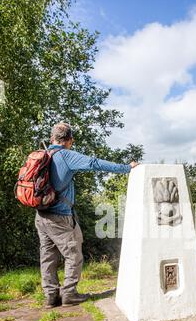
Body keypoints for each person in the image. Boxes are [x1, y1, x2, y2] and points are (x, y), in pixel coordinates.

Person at [35, 121, 138, 308]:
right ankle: (68, 294)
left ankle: (50, 296)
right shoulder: (65, 155)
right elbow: (94, 163)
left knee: (47, 256)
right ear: (70, 141)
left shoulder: (42, 154)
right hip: (61, 216)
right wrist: (126, 168)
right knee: (73, 254)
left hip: (41, 215)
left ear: (52, 138)